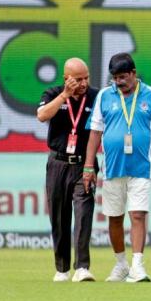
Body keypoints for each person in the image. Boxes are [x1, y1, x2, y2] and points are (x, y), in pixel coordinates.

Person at [83, 52, 151, 283]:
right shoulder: (104, 95)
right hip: (112, 168)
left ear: (133, 73)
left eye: (123, 77)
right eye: (115, 78)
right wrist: (88, 167)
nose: (119, 82)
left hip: (141, 168)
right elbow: (95, 133)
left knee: (138, 215)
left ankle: (138, 265)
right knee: (114, 218)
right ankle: (121, 264)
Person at [37, 58, 99, 282]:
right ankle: (62, 269)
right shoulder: (53, 93)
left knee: (84, 213)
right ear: (66, 79)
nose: (83, 83)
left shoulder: (96, 97)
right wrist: (63, 95)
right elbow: (42, 115)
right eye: (78, 79)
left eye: (86, 78)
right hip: (58, 162)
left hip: (85, 163)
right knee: (59, 215)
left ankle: (82, 267)